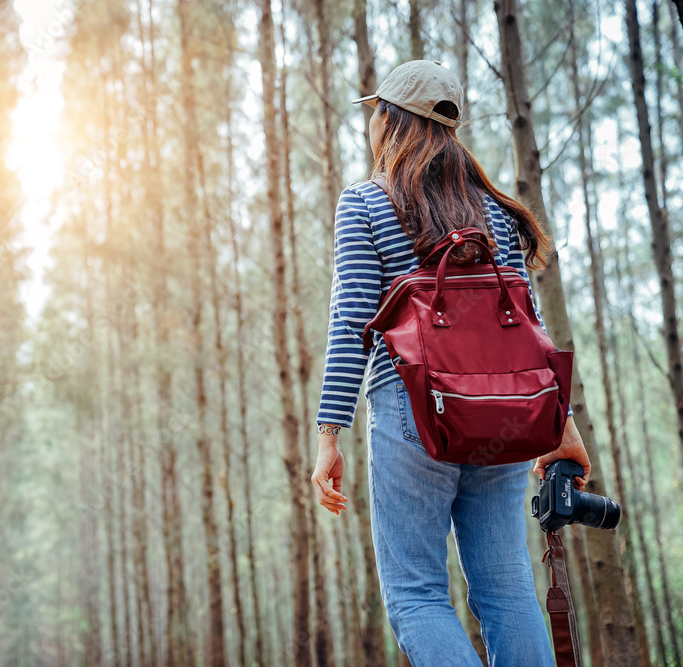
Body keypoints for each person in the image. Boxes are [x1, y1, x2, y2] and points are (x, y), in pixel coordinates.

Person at [310, 60, 592, 667]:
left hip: (411, 410)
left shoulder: (365, 201)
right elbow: (529, 330)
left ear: (388, 118)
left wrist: (329, 433)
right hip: (506, 417)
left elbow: (350, 323)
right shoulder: (495, 212)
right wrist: (558, 431)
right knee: (509, 589)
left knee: (415, 594)